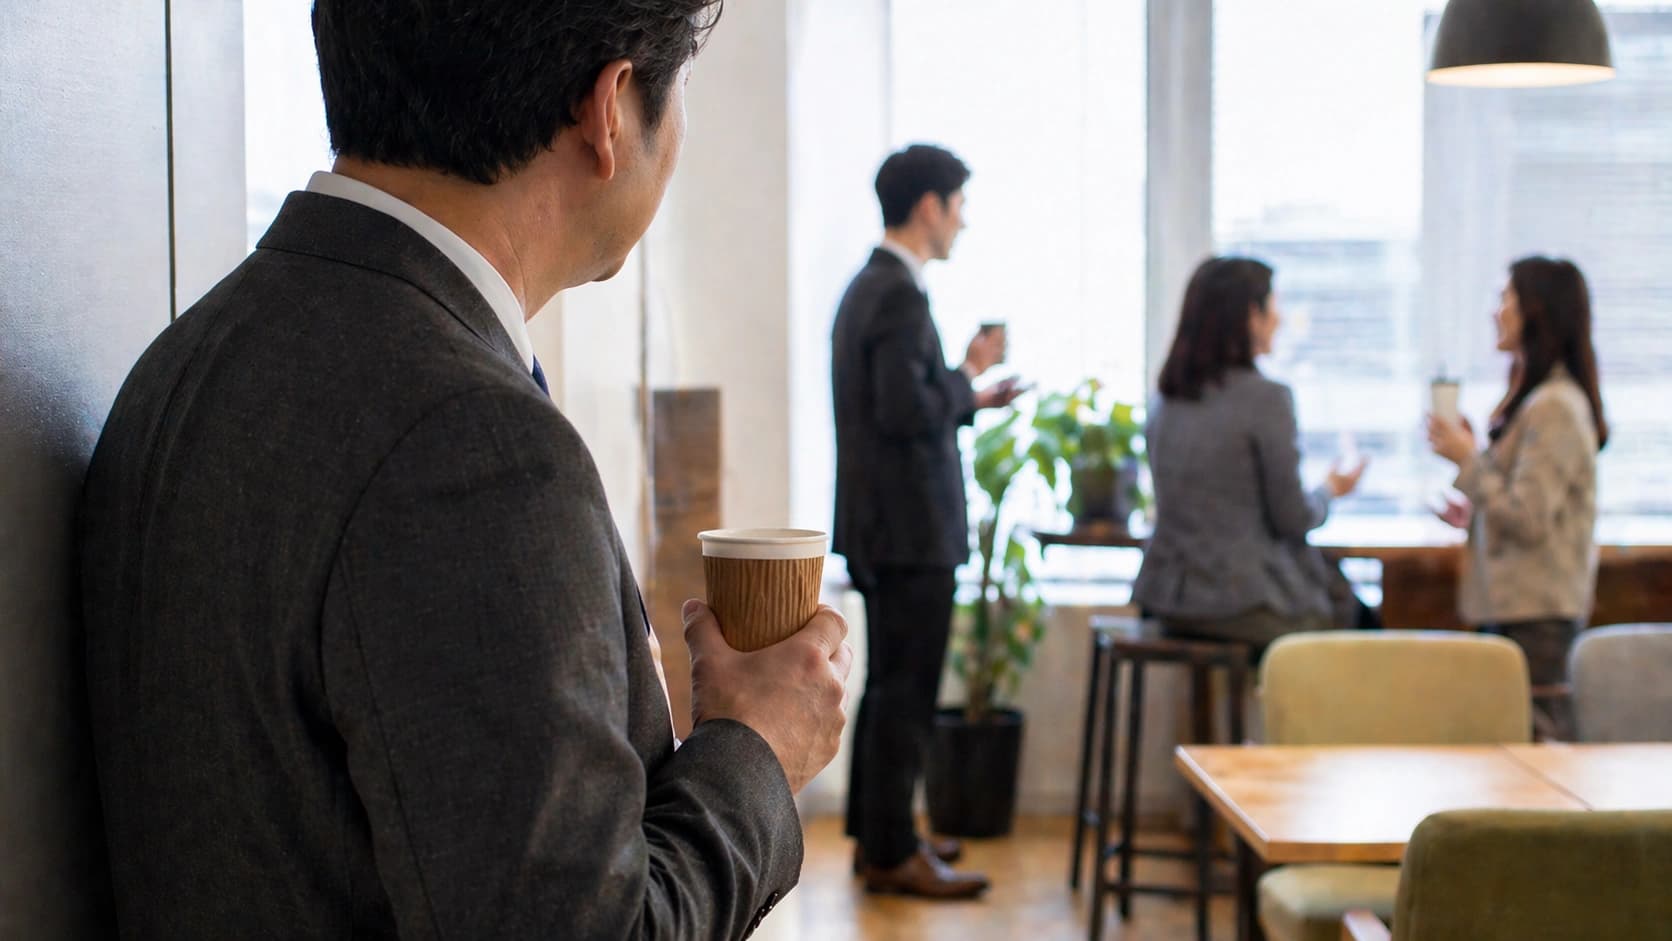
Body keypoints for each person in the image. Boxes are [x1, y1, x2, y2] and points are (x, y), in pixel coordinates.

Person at [78, 2, 853, 938]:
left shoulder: (187, 357)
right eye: (682, 85)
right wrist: (758, 748)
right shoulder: (474, 443)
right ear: (610, 109)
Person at [830, 144, 1019, 899]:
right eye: (959, 205)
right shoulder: (899, 294)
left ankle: (882, 837)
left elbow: (900, 402)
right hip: (910, 531)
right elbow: (906, 411)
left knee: (887, 690)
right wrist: (968, 382)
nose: (963, 222)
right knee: (904, 694)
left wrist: (965, 384)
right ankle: (891, 852)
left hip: (883, 528)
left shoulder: (869, 287)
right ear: (929, 206)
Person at [1133, 256, 1370, 655]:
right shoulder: (1267, 399)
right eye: (1273, 305)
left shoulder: (1165, 400)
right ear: (1250, 316)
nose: (1279, 318)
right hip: (1239, 602)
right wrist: (1330, 489)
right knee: (1358, 625)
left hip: (1167, 599)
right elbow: (1292, 518)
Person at [1428, 256, 1607, 739]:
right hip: (1516, 608)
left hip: (1536, 614)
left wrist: (1468, 459)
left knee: (1533, 746)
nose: (1496, 311)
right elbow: (1522, 506)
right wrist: (1475, 512)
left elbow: (1528, 518)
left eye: (1505, 298)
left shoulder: (1554, 407)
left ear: (1537, 311)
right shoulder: (1537, 401)